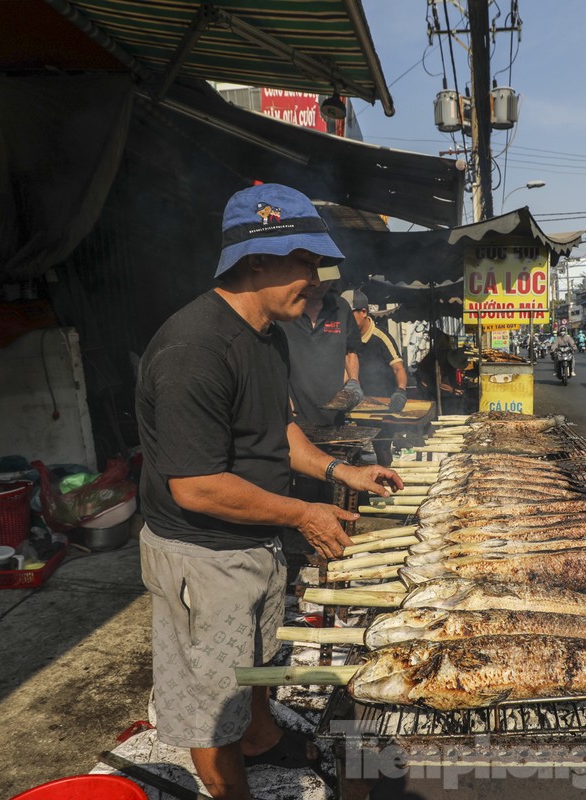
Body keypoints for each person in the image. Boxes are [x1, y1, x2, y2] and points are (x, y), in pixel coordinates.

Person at [135, 183, 404, 800]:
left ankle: (259, 738)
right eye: (305, 262)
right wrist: (303, 512)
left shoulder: (267, 335)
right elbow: (197, 486)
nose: (316, 276)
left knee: (256, 662)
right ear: (256, 260)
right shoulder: (193, 350)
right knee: (212, 697)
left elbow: (276, 430)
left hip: (256, 541)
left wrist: (339, 474)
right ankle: (232, 786)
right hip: (204, 555)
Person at [279, 275, 362, 427]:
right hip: (293, 414)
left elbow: (350, 351)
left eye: (327, 280)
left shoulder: (341, 308)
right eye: (316, 279)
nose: (320, 285)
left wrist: (353, 382)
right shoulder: (284, 308)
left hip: (334, 415)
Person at [350, 289, 408, 466]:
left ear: (364, 312)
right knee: (352, 451)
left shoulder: (381, 337)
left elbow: (399, 368)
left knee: (382, 449)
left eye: (350, 314)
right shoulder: (347, 337)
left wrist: (400, 391)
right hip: (357, 403)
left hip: (382, 405)